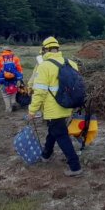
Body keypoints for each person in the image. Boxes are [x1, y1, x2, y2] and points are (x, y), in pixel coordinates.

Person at [27, 37, 83, 177]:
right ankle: (46, 155)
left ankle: (75, 167)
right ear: (58, 48)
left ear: (44, 49)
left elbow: (39, 92)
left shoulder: (44, 66)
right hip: (67, 106)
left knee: (61, 135)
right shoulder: (71, 63)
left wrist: (32, 110)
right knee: (54, 131)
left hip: (53, 109)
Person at [0, 47, 24, 113]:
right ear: (10, 51)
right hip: (14, 79)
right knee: (13, 92)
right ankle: (13, 103)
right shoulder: (15, 58)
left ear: (3, 51)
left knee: (5, 94)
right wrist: (20, 77)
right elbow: (19, 68)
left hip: (2, 79)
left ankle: (8, 109)